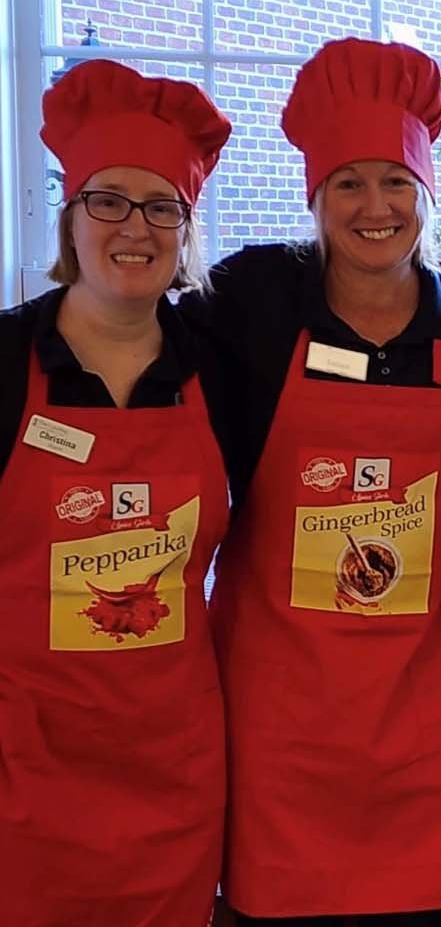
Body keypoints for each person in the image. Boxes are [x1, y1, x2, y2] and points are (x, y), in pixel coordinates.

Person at [185, 38, 441, 925]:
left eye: (396, 182)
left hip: (420, 718)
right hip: (280, 720)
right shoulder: (253, 298)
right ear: (315, 198)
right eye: (347, 183)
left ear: (427, 194)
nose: (375, 206)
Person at [0, 59, 231, 926]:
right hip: (28, 768)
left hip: (170, 764)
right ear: (70, 217)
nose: (135, 227)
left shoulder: (217, 366)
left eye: (161, 205)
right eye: (109, 200)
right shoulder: (5, 360)